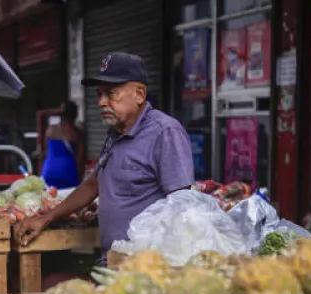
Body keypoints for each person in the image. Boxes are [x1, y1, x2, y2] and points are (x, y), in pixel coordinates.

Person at [15, 52, 195, 261]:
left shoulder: (165, 132)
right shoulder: (115, 132)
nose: (101, 102)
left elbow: (183, 204)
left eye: (111, 93)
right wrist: (47, 218)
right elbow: (93, 184)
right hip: (113, 260)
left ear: (139, 94)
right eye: (98, 94)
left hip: (146, 265)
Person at [41, 101, 85, 189]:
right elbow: (80, 159)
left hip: (49, 169)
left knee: (49, 199)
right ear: (75, 115)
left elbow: (46, 151)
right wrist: (80, 177)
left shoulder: (50, 129)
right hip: (68, 171)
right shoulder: (76, 133)